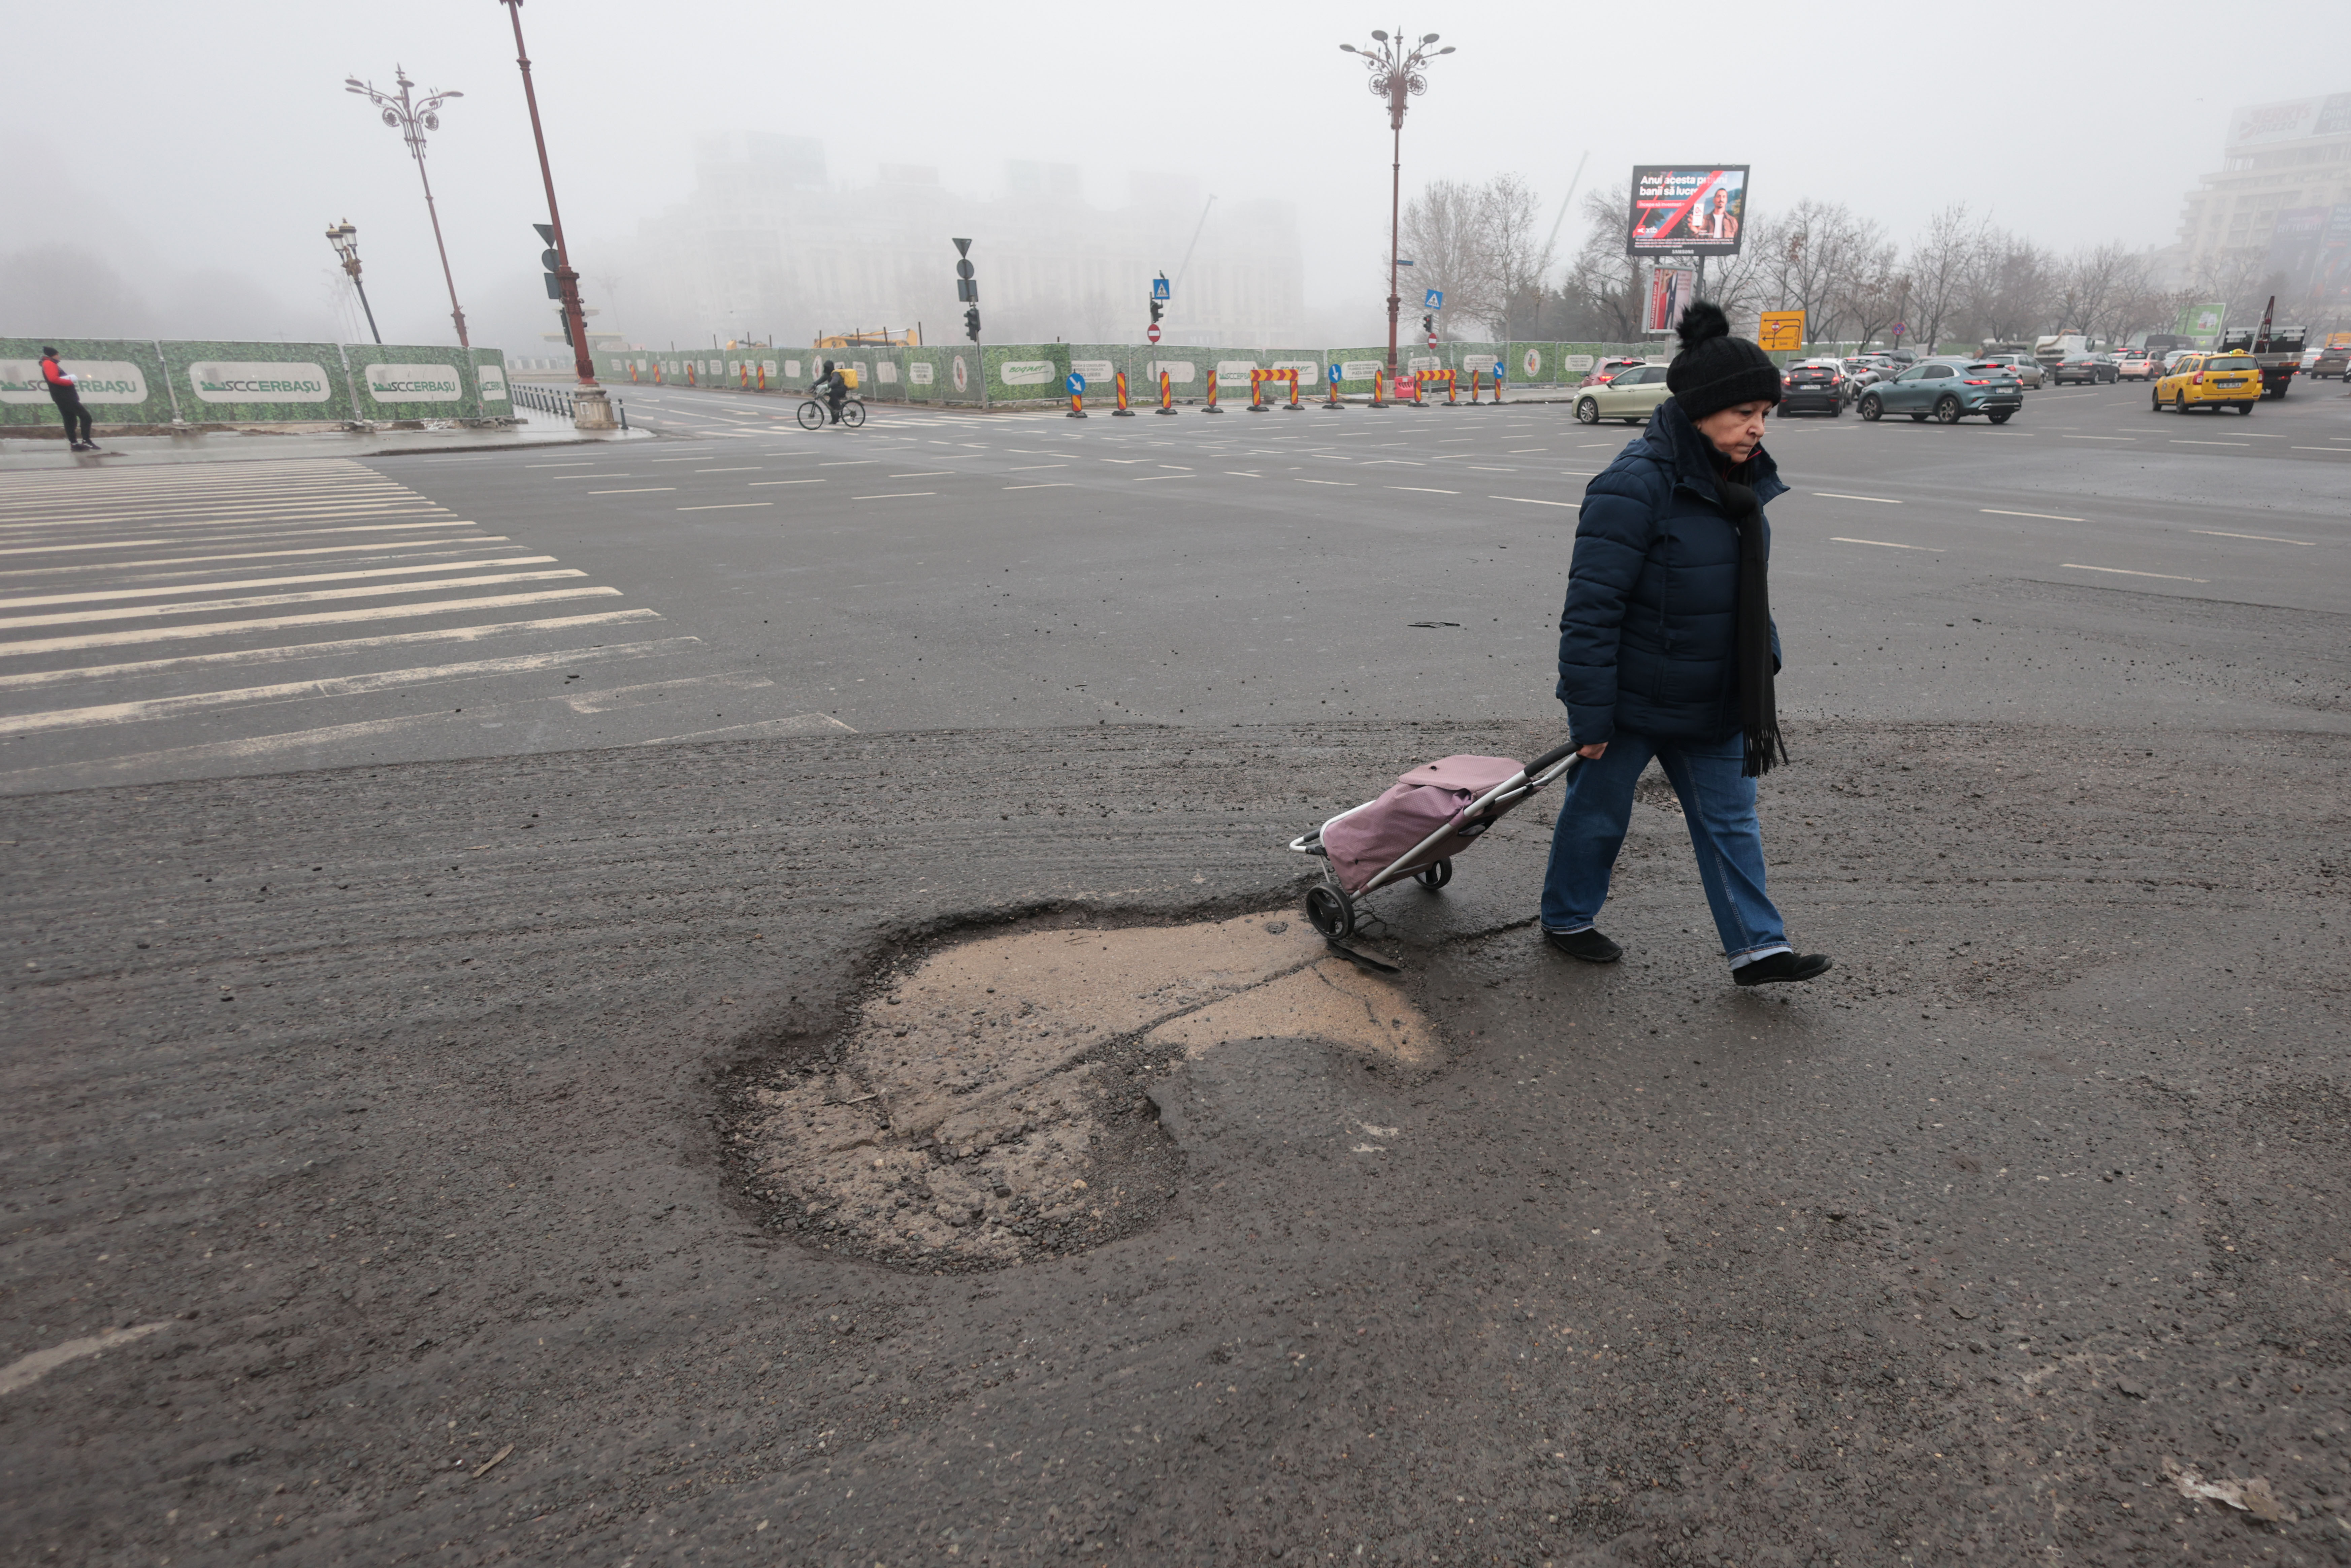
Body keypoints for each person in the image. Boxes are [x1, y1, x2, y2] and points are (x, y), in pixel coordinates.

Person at [1542, 300, 1831, 987]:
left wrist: (1764, 654)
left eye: (1764, 411)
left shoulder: (1740, 485)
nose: (1757, 426)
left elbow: (1744, 590)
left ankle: (1759, 950)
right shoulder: (1633, 485)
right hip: (1632, 701)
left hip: (1715, 697)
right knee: (1597, 816)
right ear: (1700, 412)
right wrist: (1589, 715)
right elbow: (1590, 609)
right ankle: (1566, 919)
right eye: (1742, 414)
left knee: (1731, 824)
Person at [40, 347, 97, 451]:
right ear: (53, 355)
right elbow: (53, 379)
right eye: (58, 354)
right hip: (64, 397)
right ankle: (86, 441)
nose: (60, 356)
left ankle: (74, 444)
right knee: (86, 417)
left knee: (70, 420)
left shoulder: (50, 364)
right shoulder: (49, 364)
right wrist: (69, 382)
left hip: (62, 396)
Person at [814, 359, 848, 424]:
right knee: (830, 405)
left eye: (827, 368)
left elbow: (834, 382)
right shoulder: (827, 375)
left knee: (832, 393)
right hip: (836, 390)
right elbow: (820, 381)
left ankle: (839, 408)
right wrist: (814, 384)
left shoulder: (835, 373)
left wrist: (827, 386)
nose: (826, 369)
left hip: (841, 389)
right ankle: (835, 419)